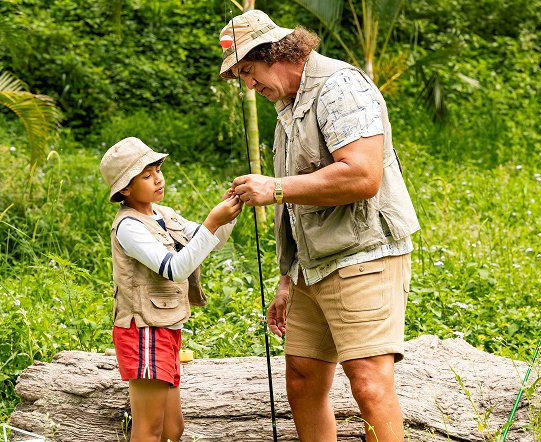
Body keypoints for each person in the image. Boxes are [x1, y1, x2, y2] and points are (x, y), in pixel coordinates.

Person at [219, 10, 420, 442]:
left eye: (249, 72)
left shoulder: (339, 88)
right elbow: (299, 203)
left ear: (273, 52)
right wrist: (287, 278)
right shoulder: (288, 105)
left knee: (368, 382)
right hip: (313, 267)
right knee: (304, 379)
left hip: (364, 255)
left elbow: (363, 176)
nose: (249, 86)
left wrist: (274, 187)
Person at [99, 137, 242, 442]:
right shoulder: (129, 226)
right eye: (146, 176)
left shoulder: (164, 214)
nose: (158, 179)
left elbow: (211, 239)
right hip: (144, 331)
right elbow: (175, 268)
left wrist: (231, 209)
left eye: (158, 171)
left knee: (172, 430)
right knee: (149, 430)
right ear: (125, 188)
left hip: (166, 328)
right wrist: (212, 220)